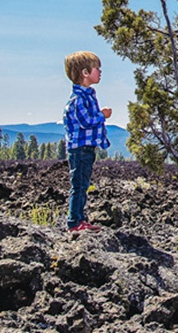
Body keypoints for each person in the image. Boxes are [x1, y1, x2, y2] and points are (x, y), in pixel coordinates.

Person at [62, 51, 112, 233]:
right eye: (96, 68)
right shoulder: (78, 100)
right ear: (85, 73)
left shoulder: (88, 96)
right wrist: (102, 115)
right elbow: (86, 122)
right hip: (80, 150)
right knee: (79, 186)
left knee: (82, 185)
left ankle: (79, 220)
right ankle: (74, 223)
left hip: (86, 149)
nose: (100, 72)